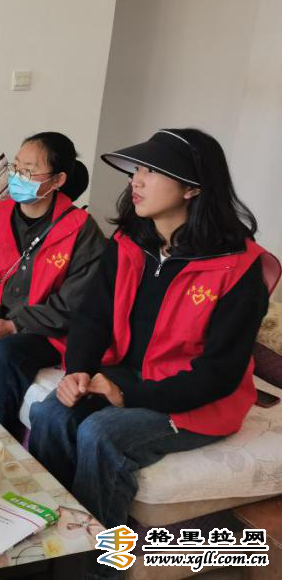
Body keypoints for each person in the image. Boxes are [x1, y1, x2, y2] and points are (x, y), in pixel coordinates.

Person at [28, 128, 280, 533]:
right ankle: (47, 534)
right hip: (131, 375)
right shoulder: (129, 243)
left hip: (196, 400)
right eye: (137, 170)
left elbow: (220, 373)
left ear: (192, 188)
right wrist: (78, 370)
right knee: (52, 413)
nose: (136, 181)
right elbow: (93, 316)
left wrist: (127, 394)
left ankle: (98, 559)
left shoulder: (238, 267)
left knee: (100, 433)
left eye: (152, 172)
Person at [0, 132, 106, 436]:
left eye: (28, 171)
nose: (17, 177)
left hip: (47, 331)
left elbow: (78, 300)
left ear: (58, 180)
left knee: (6, 354)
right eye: (15, 167)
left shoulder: (81, 230)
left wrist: (15, 325)